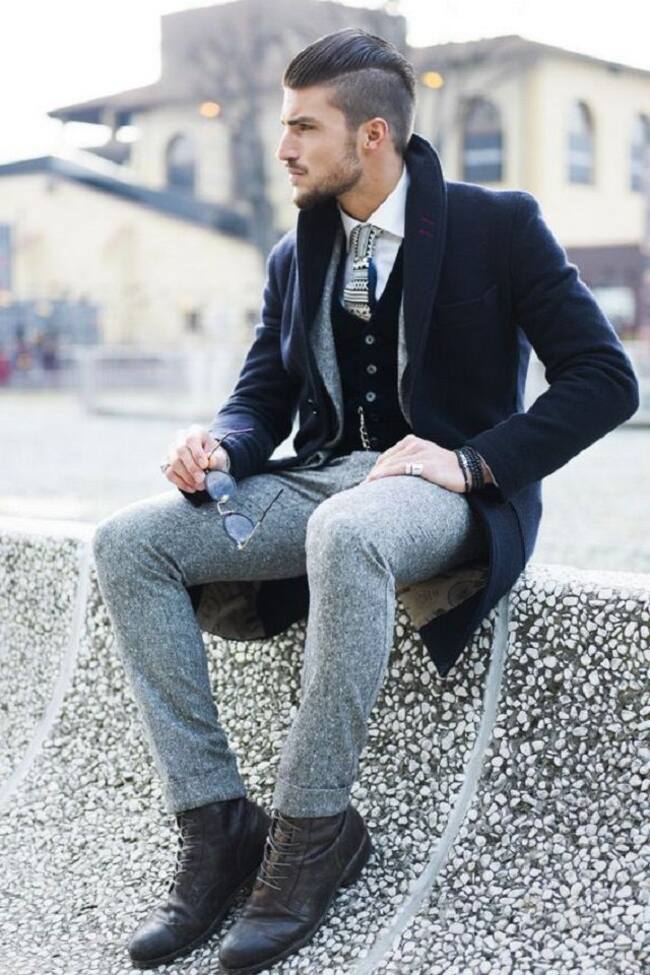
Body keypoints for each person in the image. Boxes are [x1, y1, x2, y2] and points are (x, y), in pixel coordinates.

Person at [91, 27, 639, 975]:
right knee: (127, 541)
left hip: (446, 492)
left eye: (305, 126)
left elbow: (605, 378)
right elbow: (261, 395)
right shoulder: (293, 252)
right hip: (327, 474)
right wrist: (220, 445)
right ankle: (218, 824)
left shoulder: (500, 225)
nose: (285, 147)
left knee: (348, 532)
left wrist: (473, 462)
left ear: (372, 134)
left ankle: (314, 833)